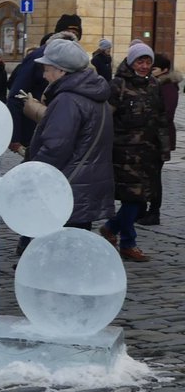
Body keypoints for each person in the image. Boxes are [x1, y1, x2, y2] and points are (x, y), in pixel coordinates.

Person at [16, 39, 113, 257]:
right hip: (85, 183)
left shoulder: (68, 99)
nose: (44, 75)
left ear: (61, 70)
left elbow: (55, 146)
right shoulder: (94, 93)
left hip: (66, 185)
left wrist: (34, 174)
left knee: (54, 250)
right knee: (74, 248)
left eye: (47, 69)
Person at [100, 43, 172, 261]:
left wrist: (164, 148)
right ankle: (126, 241)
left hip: (148, 152)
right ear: (131, 62)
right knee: (134, 198)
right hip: (124, 153)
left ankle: (113, 230)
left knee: (141, 198)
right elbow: (106, 119)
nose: (144, 66)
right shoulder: (118, 85)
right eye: (140, 61)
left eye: (148, 62)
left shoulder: (153, 84)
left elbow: (161, 118)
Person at [7, 13, 82, 152]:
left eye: (74, 33)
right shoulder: (39, 57)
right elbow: (15, 95)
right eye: (67, 32)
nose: (71, 37)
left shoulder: (79, 60)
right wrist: (15, 137)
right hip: (36, 128)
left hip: (66, 131)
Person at [138, 53, 181, 225]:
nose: (149, 68)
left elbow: (167, 113)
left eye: (153, 67)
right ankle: (141, 209)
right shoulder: (152, 83)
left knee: (154, 176)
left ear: (163, 70)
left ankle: (154, 212)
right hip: (149, 137)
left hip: (159, 139)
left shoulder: (167, 86)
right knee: (145, 174)